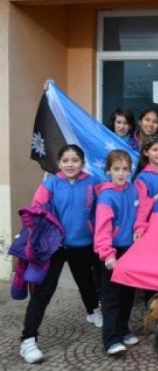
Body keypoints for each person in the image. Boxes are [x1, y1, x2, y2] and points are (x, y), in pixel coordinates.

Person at [19, 145, 101, 364]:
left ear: (82, 163)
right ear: (59, 163)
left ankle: (93, 311)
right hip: (54, 248)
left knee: (86, 282)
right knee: (43, 292)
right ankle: (28, 340)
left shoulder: (93, 183)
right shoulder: (50, 184)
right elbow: (36, 211)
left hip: (83, 244)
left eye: (75, 160)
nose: (70, 164)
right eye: (66, 160)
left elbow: (101, 209)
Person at [94, 150, 140, 356]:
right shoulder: (106, 196)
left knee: (128, 294)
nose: (121, 174)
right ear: (108, 171)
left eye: (125, 169)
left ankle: (123, 329)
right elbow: (102, 228)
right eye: (116, 169)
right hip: (113, 252)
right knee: (111, 296)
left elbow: (144, 210)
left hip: (131, 249)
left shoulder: (133, 190)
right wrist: (108, 254)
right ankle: (111, 339)